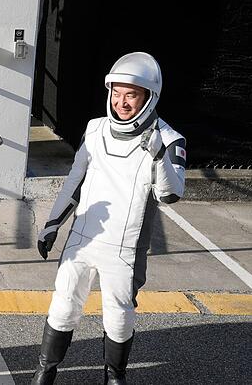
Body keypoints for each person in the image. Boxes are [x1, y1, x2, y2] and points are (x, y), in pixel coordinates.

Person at [32, 52, 186, 385]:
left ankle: (114, 376)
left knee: (119, 318)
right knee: (62, 307)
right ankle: (45, 370)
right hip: (83, 238)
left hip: (125, 248)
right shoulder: (95, 129)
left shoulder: (170, 139)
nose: (122, 102)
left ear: (149, 95)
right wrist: (51, 224)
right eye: (116, 92)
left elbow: (170, 195)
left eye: (131, 94)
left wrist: (158, 155)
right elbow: (74, 181)